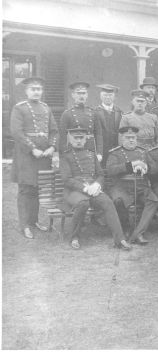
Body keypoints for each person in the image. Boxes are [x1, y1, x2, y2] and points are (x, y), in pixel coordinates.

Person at [59, 128, 132, 250]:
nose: (78, 141)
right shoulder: (65, 156)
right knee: (83, 203)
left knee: (107, 202)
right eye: (75, 138)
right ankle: (74, 237)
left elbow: (100, 174)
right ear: (70, 139)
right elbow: (67, 179)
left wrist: (97, 184)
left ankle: (120, 239)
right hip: (73, 191)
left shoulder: (91, 154)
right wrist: (84, 188)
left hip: (92, 188)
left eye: (81, 138)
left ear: (85, 139)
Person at [10, 77, 59, 239]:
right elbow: (17, 132)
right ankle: (24, 225)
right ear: (26, 91)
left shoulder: (46, 108)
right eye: (33, 89)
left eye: (39, 89)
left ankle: (34, 221)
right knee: (25, 190)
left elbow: (54, 130)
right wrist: (33, 149)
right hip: (26, 156)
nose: (36, 92)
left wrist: (52, 147)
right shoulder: (19, 108)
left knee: (38, 188)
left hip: (44, 156)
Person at [106, 126, 158, 245]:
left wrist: (147, 167)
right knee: (118, 200)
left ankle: (138, 233)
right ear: (121, 138)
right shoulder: (115, 153)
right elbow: (110, 170)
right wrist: (131, 165)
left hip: (141, 185)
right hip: (122, 186)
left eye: (133, 138)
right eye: (128, 138)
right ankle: (125, 229)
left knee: (154, 200)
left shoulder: (143, 152)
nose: (131, 140)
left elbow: (156, 168)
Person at [59, 82, 103, 160]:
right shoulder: (67, 114)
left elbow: (99, 134)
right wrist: (64, 154)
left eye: (83, 93)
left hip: (90, 149)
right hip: (74, 150)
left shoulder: (93, 113)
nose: (81, 96)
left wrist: (99, 153)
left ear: (87, 95)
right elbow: (62, 137)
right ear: (73, 95)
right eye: (78, 93)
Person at [93, 84, 123, 167]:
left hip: (115, 147)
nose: (108, 97)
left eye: (110, 95)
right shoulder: (95, 112)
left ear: (114, 97)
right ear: (101, 97)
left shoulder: (119, 111)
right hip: (102, 149)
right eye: (105, 95)